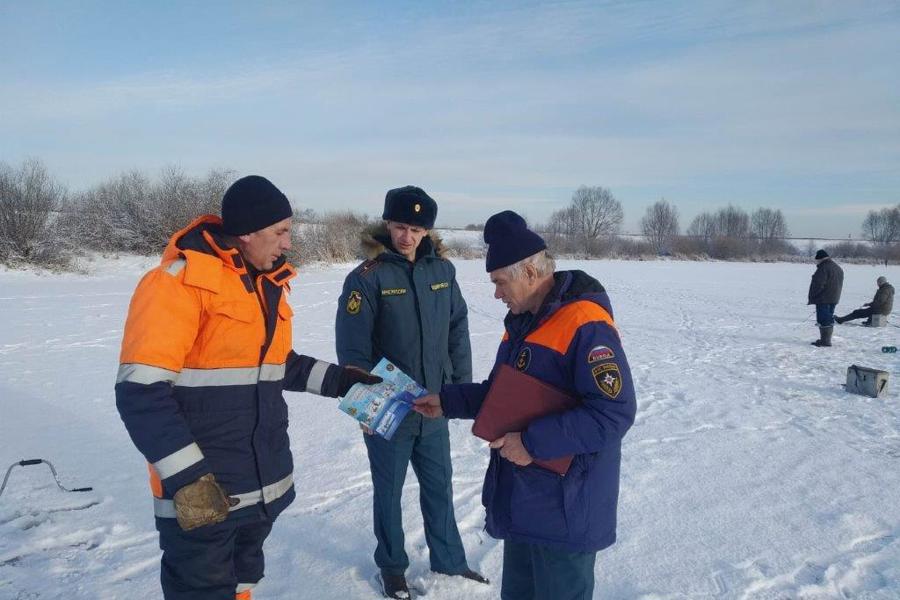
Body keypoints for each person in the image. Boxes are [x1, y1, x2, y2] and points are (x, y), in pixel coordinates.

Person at [115, 175, 381, 600]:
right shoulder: (178, 283)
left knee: (243, 583)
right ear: (247, 232)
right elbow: (140, 391)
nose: (287, 243)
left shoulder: (265, 285)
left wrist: (341, 380)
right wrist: (189, 480)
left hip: (259, 484)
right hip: (204, 493)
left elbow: (278, 366)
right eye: (280, 232)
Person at [414, 210, 636, 600]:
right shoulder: (522, 324)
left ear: (530, 273)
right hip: (525, 503)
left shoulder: (585, 324)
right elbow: (503, 395)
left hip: (566, 510)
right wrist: (446, 401)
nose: (496, 294)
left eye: (500, 282)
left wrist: (532, 443)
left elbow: (613, 412)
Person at [335, 185, 486, 599]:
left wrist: (460, 392)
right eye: (400, 226)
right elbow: (352, 350)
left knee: (440, 486)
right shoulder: (366, 278)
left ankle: (450, 561)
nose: (407, 237)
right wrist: (365, 407)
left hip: (434, 404)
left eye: (416, 229)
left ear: (427, 231)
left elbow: (458, 330)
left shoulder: (443, 272)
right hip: (390, 409)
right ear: (387, 223)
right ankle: (393, 570)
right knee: (389, 492)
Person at [807, 249, 844, 347]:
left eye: (817, 260)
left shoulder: (823, 268)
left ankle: (825, 341)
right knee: (829, 318)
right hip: (834, 297)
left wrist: (814, 295)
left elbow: (818, 284)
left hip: (824, 298)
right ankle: (826, 339)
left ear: (821, 259)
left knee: (824, 320)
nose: (817, 262)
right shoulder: (837, 267)